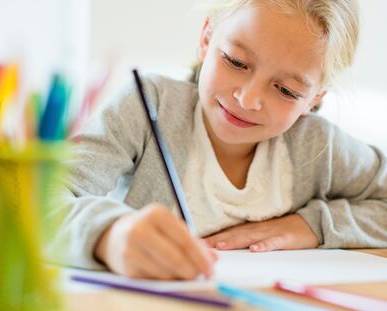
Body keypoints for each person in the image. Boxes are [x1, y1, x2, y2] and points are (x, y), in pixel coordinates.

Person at [47, 0, 387, 280]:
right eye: (236, 61)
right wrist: (108, 235)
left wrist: (312, 226)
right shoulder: (148, 106)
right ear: (207, 38)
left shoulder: (318, 147)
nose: (248, 98)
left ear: (314, 98)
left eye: (287, 90)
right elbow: (36, 200)